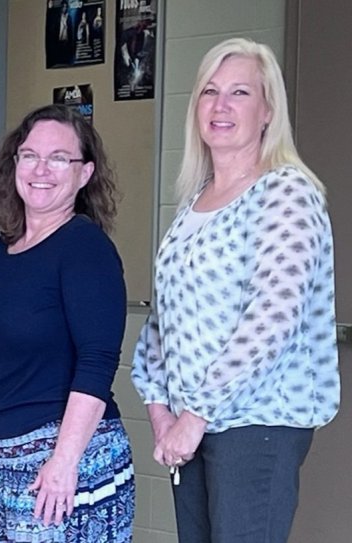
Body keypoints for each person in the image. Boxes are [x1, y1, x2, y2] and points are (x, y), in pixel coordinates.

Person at [131, 38, 338, 543]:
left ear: (267, 111)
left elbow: (272, 315)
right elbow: (164, 318)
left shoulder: (286, 192)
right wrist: (160, 411)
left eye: (240, 93)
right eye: (210, 91)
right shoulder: (195, 202)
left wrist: (195, 416)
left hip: (256, 426)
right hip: (192, 427)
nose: (221, 105)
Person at [0, 104, 134, 542]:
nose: (41, 169)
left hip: (66, 470)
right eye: (30, 155)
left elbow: (97, 361)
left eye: (59, 158)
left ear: (84, 173)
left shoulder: (85, 248)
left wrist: (64, 462)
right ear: (14, 164)